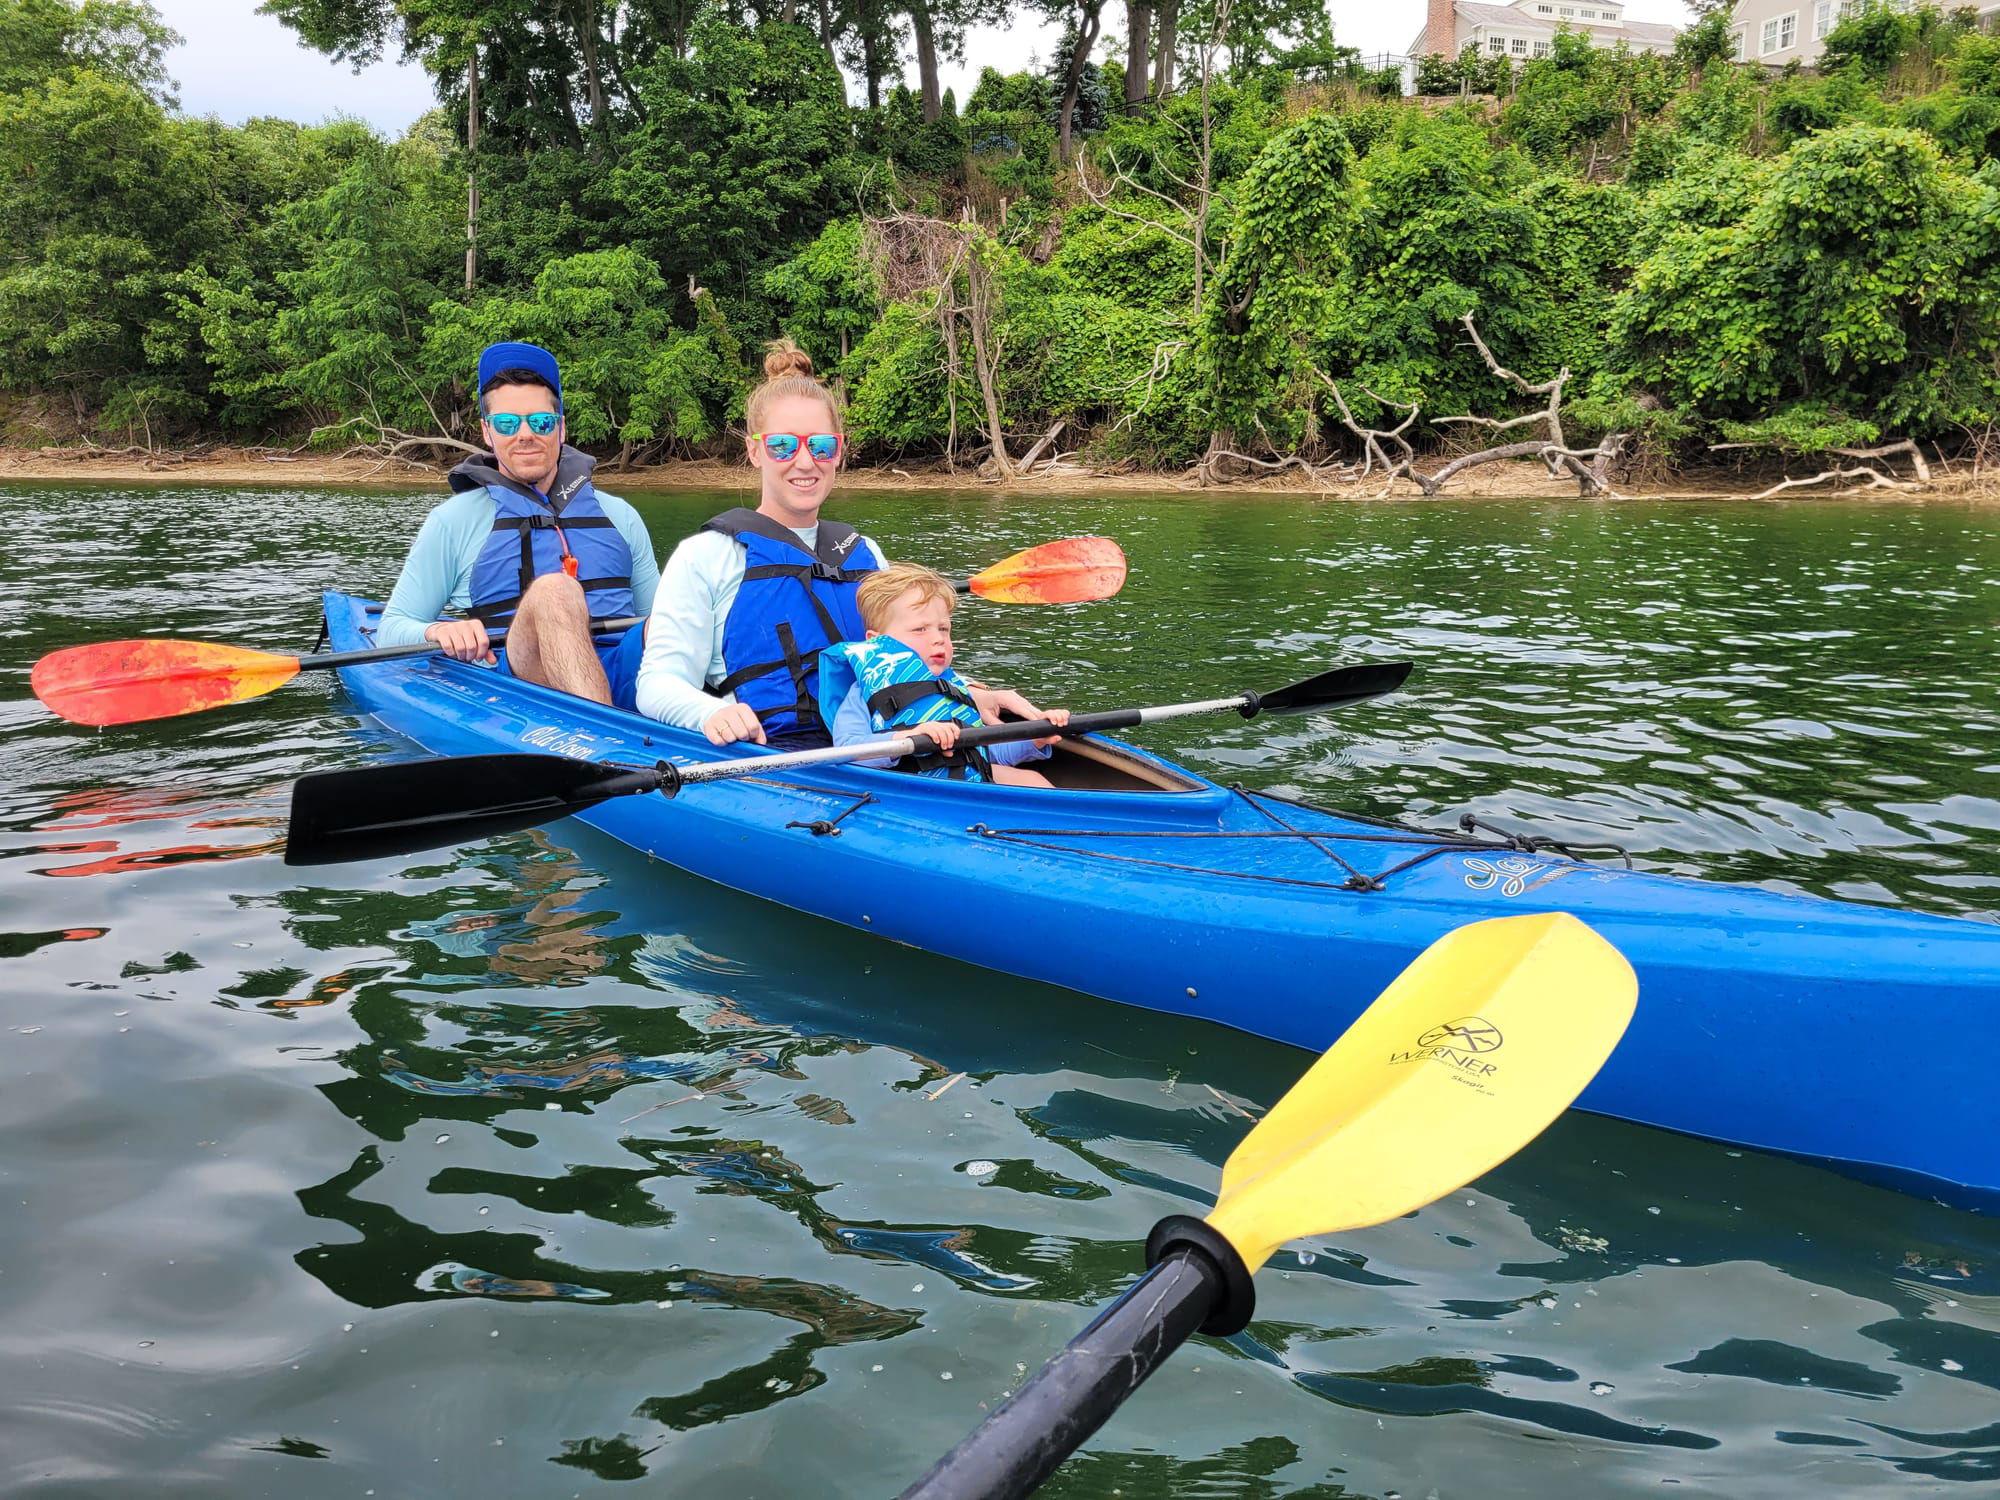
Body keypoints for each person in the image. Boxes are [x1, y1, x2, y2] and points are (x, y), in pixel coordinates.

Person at [635, 341, 1047, 747]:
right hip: (777, 756)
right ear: (755, 451)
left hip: (883, 748)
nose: (804, 461)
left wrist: (973, 692)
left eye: (821, 445)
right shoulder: (707, 556)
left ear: (839, 450)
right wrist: (712, 713)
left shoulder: (864, 552)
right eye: (782, 445)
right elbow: (657, 684)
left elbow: (906, 660)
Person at [377, 341, 659, 708]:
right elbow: (392, 628)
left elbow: (661, 620)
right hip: (523, 679)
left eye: (541, 421)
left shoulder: (620, 514)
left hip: (622, 667)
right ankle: (604, 735)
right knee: (555, 590)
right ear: (487, 432)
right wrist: (439, 629)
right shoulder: (454, 520)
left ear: (561, 429)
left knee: (686, 607)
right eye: (507, 423)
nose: (525, 434)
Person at [818, 562, 1071, 787]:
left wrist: (1035, 738)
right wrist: (908, 738)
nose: (938, 639)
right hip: (915, 790)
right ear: (877, 642)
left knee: (1032, 780)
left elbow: (987, 752)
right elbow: (847, 749)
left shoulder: (955, 687)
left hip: (967, 780)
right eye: (920, 629)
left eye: (944, 628)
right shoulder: (863, 694)